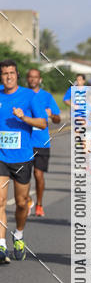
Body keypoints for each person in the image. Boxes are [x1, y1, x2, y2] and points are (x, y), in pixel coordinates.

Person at [0, 59, 48, 263]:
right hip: (1, 156)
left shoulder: (29, 96)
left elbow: (43, 122)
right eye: (4, 73)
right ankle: (1, 245)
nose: (8, 76)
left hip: (22, 159)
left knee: (21, 203)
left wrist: (24, 118)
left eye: (11, 73)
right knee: (0, 201)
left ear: (17, 75)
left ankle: (18, 235)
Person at [26, 68, 61, 217]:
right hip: (25, 142)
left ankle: (39, 204)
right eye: (30, 77)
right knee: (22, 176)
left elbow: (58, 119)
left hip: (41, 142)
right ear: (27, 79)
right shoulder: (21, 95)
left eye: (36, 77)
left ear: (40, 80)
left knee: (38, 174)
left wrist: (51, 115)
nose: (33, 80)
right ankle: (27, 200)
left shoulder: (47, 97)